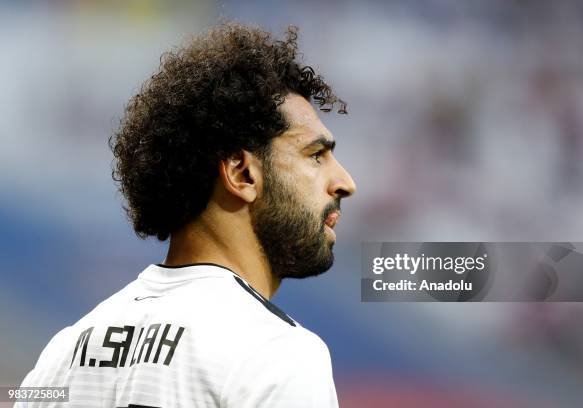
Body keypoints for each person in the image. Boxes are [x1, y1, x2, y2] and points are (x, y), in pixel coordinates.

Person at [17, 23, 355, 407]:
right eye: (315, 155)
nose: (345, 182)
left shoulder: (60, 357)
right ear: (241, 173)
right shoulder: (277, 354)